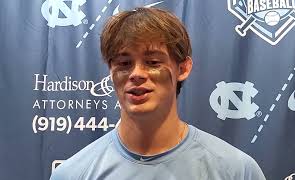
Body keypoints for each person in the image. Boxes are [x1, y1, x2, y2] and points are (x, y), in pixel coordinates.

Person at [50, 7, 266, 180]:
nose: (136, 74)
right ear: (111, 71)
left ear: (182, 68)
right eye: (124, 63)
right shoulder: (73, 173)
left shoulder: (237, 170)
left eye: (152, 62)